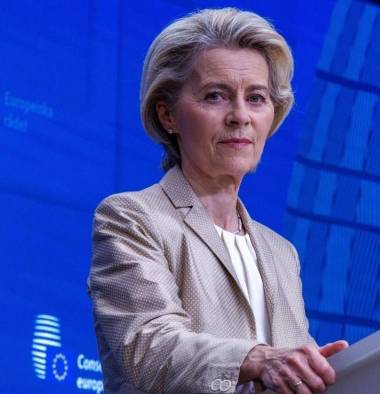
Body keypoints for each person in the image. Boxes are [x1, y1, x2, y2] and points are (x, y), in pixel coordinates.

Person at [88, 7, 348, 394]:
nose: (240, 116)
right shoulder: (132, 218)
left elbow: (288, 374)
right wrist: (259, 358)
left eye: (256, 98)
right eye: (215, 96)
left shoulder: (281, 253)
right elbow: (147, 347)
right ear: (168, 115)